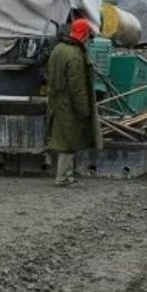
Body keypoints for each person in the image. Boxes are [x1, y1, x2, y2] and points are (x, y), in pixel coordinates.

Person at [46, 18, 102, 186]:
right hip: (68, 105)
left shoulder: (58, 49)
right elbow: (78, 88)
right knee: (68, 142)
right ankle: (64, 178)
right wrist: (84, 110)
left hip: (57, 102)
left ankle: (65, 175)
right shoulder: (75, 56)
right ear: (84, 34)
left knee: (62, 138)